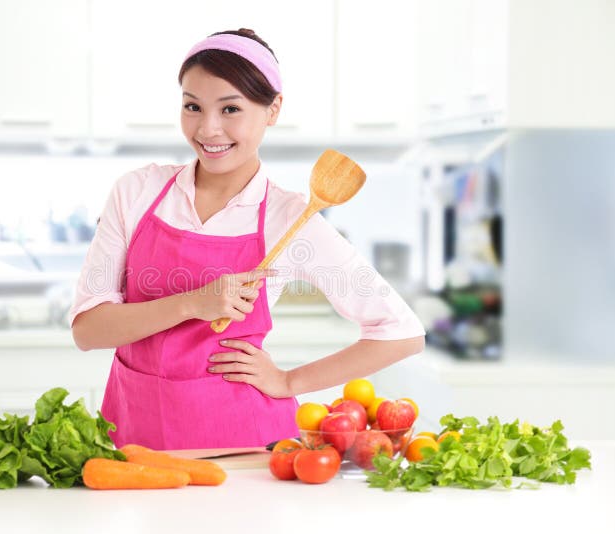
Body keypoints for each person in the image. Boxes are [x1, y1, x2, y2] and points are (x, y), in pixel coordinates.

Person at [69, 28, 425, 450]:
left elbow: (401, 331)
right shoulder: (136, 192)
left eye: (231, 108)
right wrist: (192, 303)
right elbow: (88, 330)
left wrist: (289, 380)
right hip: (136, 444)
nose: (208, 129)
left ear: (272, 109)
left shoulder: (291, 218)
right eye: (192, 106)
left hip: (246, 448)